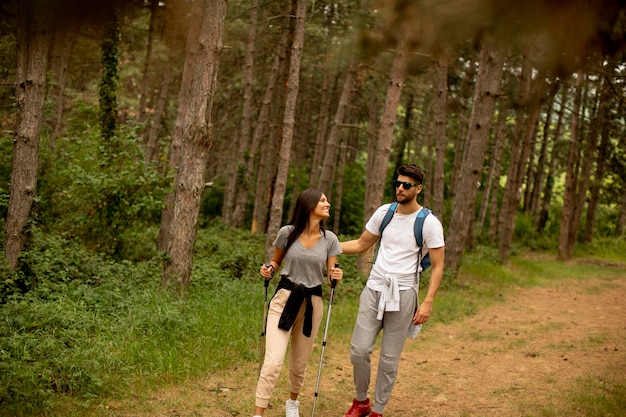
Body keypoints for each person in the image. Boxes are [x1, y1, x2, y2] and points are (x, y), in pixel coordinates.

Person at [340, 164, 445, 417]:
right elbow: (361, 244)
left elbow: (439, 265)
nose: (400, 188)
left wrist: (428, 302)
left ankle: (377, 409)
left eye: (406, 185)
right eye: (397, 183)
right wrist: (325, 245)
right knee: (359, 350)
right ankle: (361, 401)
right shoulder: (384, 213)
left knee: (388, 359)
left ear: (418, 189)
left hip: (404, 293)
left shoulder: (429, 223)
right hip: (375, 288)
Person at [253, 188, 343, 417]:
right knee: (273, 361)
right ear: (309, 205)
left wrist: (336, 277)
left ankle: (292, 402)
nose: (328, 203)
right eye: (323, 200)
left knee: (299, 364)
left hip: (312, 303)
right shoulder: (287, 233)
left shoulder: (330, 239)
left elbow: (332, 272)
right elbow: (276, 261)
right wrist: (269, 269)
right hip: (284, 299)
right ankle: (258, 413)